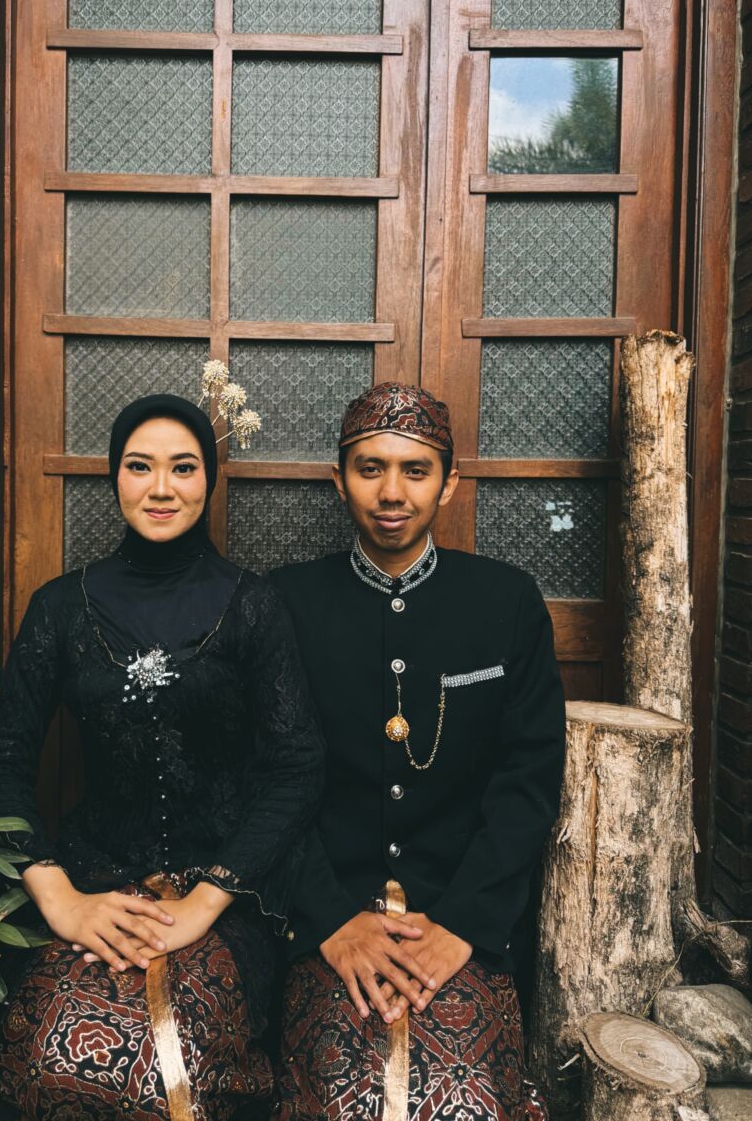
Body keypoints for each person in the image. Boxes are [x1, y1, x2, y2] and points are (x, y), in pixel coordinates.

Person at [0, 393, 323, 1121]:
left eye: (183, 468)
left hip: (225, 900)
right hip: (93, 885)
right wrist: (60, 899)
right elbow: (2, 762)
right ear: (115, 476)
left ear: (209, 479)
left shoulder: (254, 605)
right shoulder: (59, 607)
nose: (161, 488)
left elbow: (296, 767)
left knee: (171, 1075)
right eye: (140, 466)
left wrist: (204, 903)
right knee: (54, 1058)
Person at [269, 382, 566, 1120]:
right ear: (339, 480)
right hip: (326, 922)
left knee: (468, 1102)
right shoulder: (283, 603)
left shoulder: (507, 601)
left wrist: (464, 922)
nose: (392, 492)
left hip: (461, 922)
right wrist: (329, 919)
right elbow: (264, 781)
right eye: (370, 468)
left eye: (416, 470)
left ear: (449, 483)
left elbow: (528, 779)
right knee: (339, 1099)